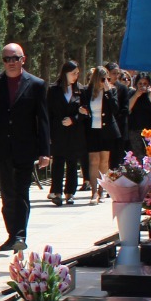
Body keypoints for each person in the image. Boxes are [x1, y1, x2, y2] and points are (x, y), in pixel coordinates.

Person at [0, 42, 51, 252]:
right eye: (7, 59)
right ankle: (12, 234)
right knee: (7, 194)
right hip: (1, 148)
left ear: (23, 59)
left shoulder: (36, 84)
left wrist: (45, 151)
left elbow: (42, 120)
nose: (11, 63)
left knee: (21, 192)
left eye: (15, 58)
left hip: (25, 148)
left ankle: (20, 235)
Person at [45, 60, 89, 205]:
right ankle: (56, 192)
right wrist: (49, 133)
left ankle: (70, 192)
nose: (76, 76)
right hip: (58, 131)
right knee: (58, 161)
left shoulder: (81, 90)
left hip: (75, 132)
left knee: (72, 162)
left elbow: (85, 111)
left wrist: (74, 119)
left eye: (77, 73)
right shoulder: (54, 90)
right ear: (65, 73)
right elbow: (48, 112)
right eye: (73, 73)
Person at [83, 66, 122, 203]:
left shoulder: (111, 91)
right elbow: (82, 106)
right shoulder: (88, 92)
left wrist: (108, 91)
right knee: (93, 161)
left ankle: (102, 189)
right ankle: (94, 192)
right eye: (102, 78)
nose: (104, 81)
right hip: (92, 130)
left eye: (107, 78)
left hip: (107, 130)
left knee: (104, 161)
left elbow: (115, 109)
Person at [106, 62, 134, 160]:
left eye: (118, 73)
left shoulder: (122, 88)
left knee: (117, 158)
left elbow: (125, 109)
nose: (116, 76)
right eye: (114, 73)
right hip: (105, 128)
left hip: (119, 127)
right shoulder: (101, 87)